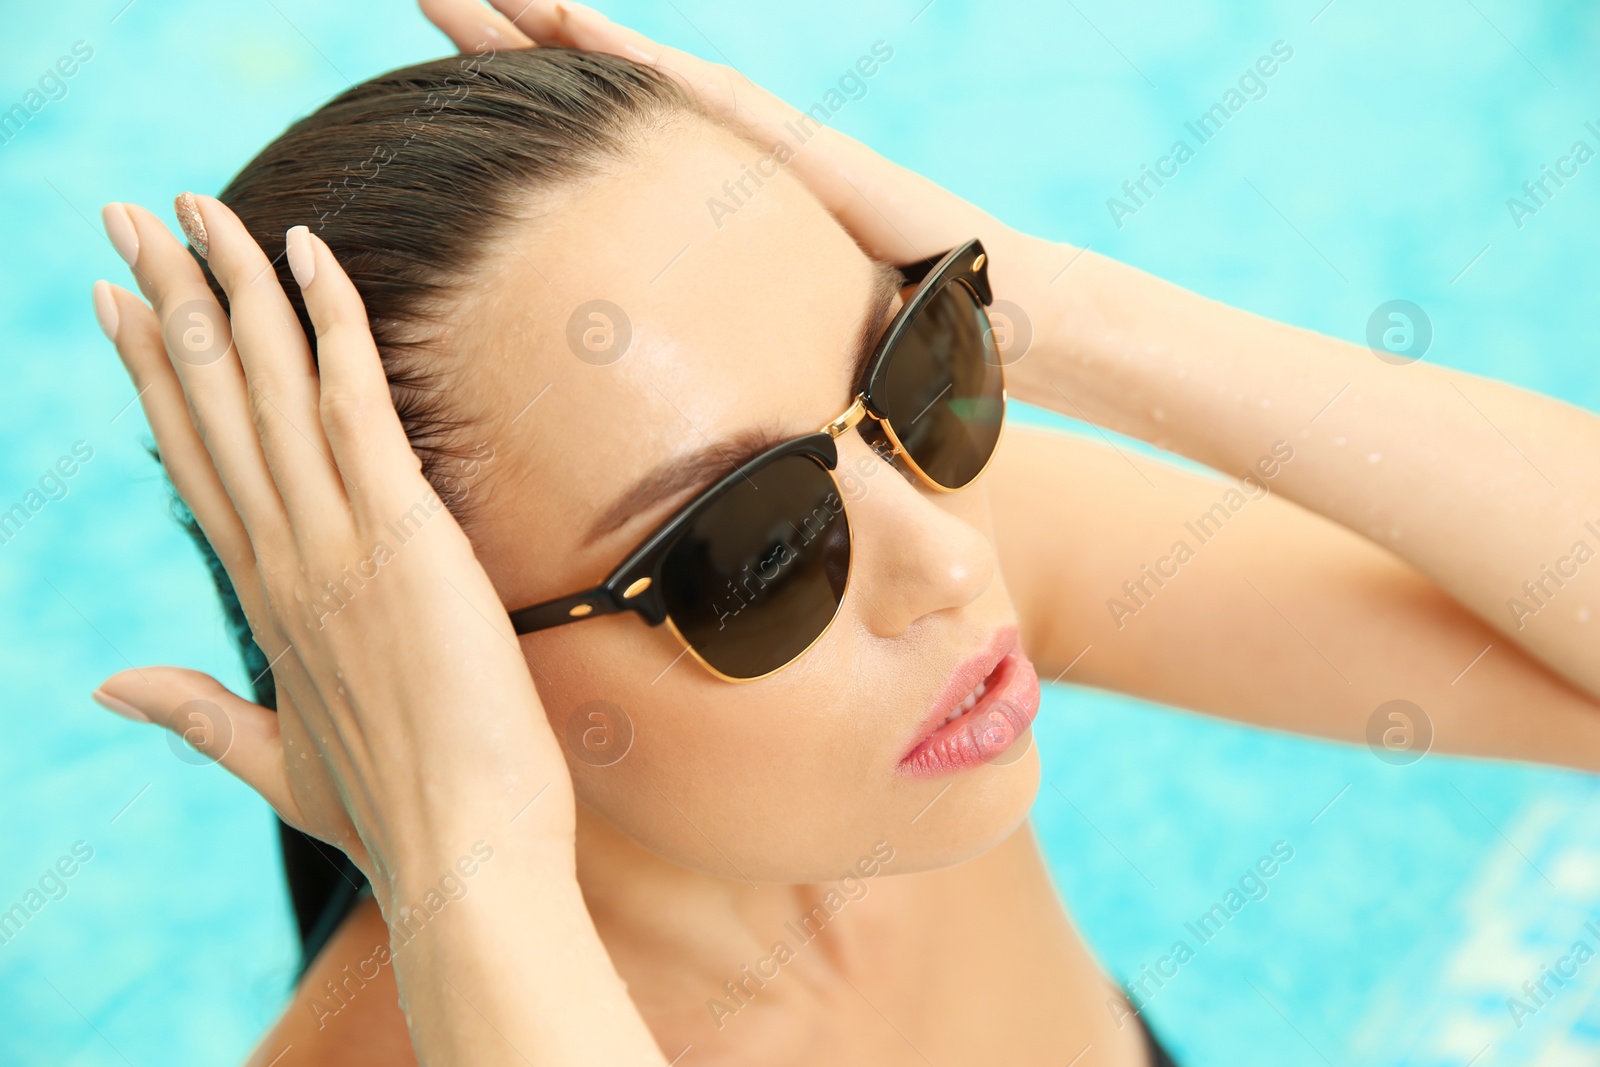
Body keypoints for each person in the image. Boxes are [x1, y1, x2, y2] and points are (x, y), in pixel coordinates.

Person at [85, 1, 1600, 1064]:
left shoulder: (922, 601)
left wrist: (1055, 311)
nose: (948, 559)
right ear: (433, 664)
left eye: (917, 373)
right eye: (753, 551)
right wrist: (469, 880)